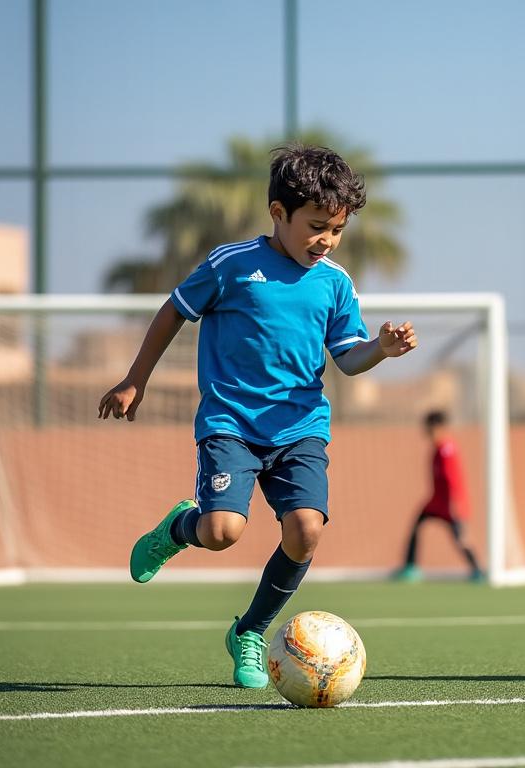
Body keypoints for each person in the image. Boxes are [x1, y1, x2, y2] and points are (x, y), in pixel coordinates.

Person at [97, 144, 418, 689]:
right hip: (231, 425)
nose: (327, 240)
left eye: (337, 230)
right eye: (317, 226)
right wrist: (136, 379)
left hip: (300, 430)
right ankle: (179, 526)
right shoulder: (232, 265)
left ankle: (250, 630)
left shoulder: (335, 282)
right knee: (222, 532)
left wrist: (380, 350)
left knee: (306, 530)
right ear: (278, 212)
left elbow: (348, 356)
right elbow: (175, 308)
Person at [394, 410, 484, 582]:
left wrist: (456, 506)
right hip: (437, 502)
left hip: (451, 504)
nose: (426, 432)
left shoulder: (447, 450)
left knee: (461, 538)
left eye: (429, 428)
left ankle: (477, 571)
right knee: (417, 526)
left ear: (438, 428)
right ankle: (410, 566)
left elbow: (453, 480)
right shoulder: (437, 449)